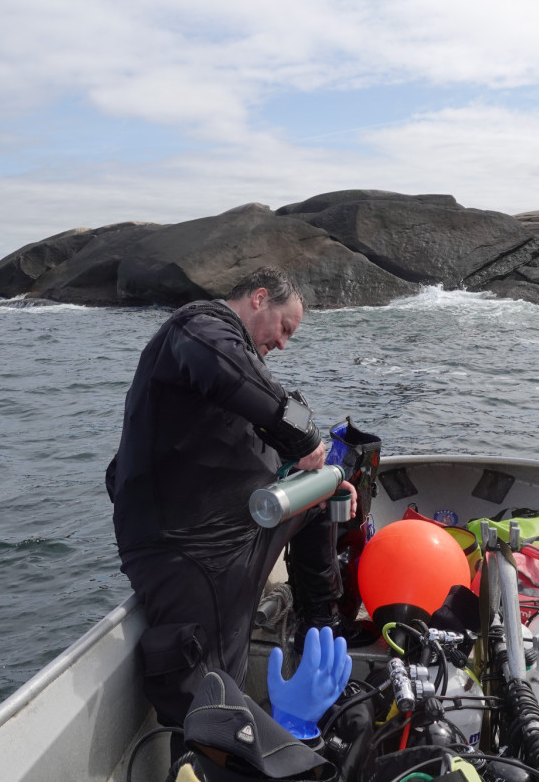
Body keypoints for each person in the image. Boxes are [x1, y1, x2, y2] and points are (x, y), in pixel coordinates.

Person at [105, 266, 356, 727]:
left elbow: (258, 423)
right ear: (259, 298)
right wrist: (305, 439)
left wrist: (322, 479)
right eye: (285, 328)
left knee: (321, 499)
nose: (283, 344)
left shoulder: (239, 369)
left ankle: (318, 631)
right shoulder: (199, 328)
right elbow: (229, 373)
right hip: (191, 548)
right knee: (216, 692)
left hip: (241, 525)